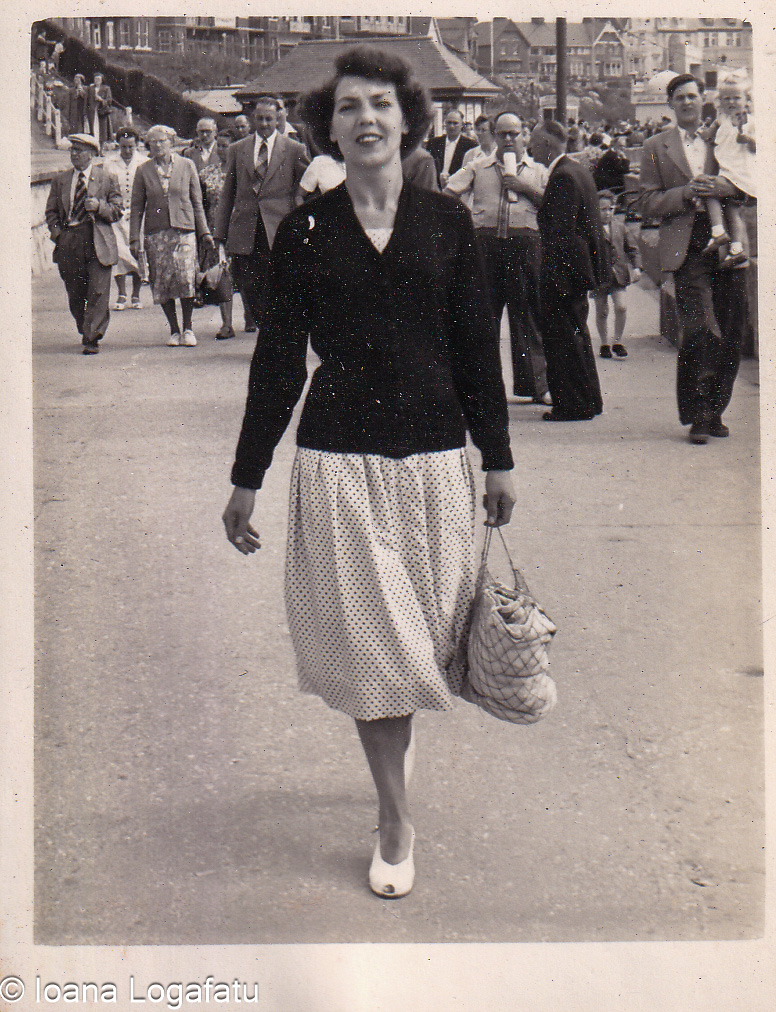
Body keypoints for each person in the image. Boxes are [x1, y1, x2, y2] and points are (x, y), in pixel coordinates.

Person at [221, 46, 515, 900]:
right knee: (373, 646)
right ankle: (394, 817)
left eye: (380, 105)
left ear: (407, 118)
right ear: (330, 126)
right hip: (339, 461)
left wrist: (497, 458)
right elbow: (278, 360)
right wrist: (247, 474)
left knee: (414, 642)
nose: (366, 121)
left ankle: (392, 742)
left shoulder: (447, 224)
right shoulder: (306, 230)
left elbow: (475, 354)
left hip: (432, 462)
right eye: (349, 108)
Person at [637, 73, 749, 444]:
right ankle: (698, 412)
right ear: (670, 104)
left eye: (693, 96)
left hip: (727, 240)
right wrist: (685, 193)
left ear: (704, 100)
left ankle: (715, 410)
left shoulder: (723, 136)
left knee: (732, 328)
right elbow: (646, 202)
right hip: (687, 246)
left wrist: (727, 187)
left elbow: (751, 183)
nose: (687, 103)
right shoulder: (655, 145)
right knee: (700, 326)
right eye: (679, 97)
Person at [444, 110, 551, 406]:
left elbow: (552, 204)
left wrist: (523, 187)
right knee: (482, 319)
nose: (508, 139)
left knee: (527, 318)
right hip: (485, 248)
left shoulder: (538, 170)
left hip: (525, 247)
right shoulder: (478, 167)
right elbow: (448, 194)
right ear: (493, 134)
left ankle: (537, 386)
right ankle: (482, 388)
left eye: (514, 133)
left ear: (524, 135)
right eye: (502, 133)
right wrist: (465, 226)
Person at [531, 120, 609, 421]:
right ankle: (588, 399)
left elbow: (560, 232)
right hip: (579, 270)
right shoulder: (578, 171)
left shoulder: (562, 176)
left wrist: (554, 277)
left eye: (535, 142)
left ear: (548, 144)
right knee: (577, 334)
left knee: (562, 337)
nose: (531, 148)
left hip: (564, 272)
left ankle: (571, 404)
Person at [213, 95, 309, 339]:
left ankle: (273, 334)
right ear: (253, 119)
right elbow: (228, 194)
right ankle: (268, 328)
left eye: (269, 118)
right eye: (260, 118)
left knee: (277, 284)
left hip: (279, 229)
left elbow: (306, 188)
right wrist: (220, 234)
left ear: (278, 119)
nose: (264, 124)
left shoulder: (294, 149)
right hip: (245, 230)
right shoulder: (238, 149)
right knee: (248, 285)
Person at [130, 124, 214, 347]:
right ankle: (174, 330)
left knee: (186, 277)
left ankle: (188, 327)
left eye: (162, 141)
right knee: (163, 281)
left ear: (171, 142)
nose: (157, 145)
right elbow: (137, 207)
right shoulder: (143, 170)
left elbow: (197, 203)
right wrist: (134, 239)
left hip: (184, 231)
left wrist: (204, 231)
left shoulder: (187, 166)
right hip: (156, 233)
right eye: (153, 141)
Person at [44, 133, 123, 354]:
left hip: (98, 239)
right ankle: (84, 325)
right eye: (72, 150)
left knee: (98, 291)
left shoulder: (107, 177)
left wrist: (99, 206)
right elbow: (51, 212)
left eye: (79, 150)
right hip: (70, 239)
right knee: (76, 292)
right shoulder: (61, 180)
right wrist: (58, 233)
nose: (74, 154)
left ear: (92, 154)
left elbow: (117, 210)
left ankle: (92, 337)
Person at [699, 76, 755, 268]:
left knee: (708, 190)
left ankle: (718, 232)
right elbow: (711, 132)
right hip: (727, 171)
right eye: (726, 98)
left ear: (746, 100)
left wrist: (748, 140)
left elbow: (762, 147)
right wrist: (706, 133)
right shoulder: (721, 118)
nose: (731, 102)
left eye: (736, 98)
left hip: (738, 173)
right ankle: (736, 249)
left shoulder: (750, 121)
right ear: (720, 102)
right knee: (732, 210)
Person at [591, 190, 642, 359]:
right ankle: (604, 343)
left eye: (610, 208)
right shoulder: (591, 228)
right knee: (602, 311)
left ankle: (617, 341)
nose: (607, 213)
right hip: (599, 275)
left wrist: (637, 267)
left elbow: (632, 248)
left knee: (621, 306)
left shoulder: (620, 226)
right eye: (602, 209)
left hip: (618, 275)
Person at [198, 129, 237, 339]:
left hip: (239, 227)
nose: (223, 150)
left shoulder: (243, 171)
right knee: (222, 275)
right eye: (220, 145)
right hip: (217, 228)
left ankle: (251, 319)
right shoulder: (207, 173)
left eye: (227, 145)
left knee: (243, 274)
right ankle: (227, 324)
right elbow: (201, 204)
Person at [107, 126, 147, 311]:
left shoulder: (144, 161)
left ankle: (136, 294)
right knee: (119, 251)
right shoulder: (109, 163)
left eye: (131, 146)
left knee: (137, 250)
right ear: (118, 146)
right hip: (117, 214)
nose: (127, 150)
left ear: (136, 145)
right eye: (124, 147)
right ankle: (122, 293)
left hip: (139, 214)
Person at [426, 107, 477, 187]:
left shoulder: (471, 145)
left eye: (455, 123)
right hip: (436, 187)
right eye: (449, 123)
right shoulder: (433, 143)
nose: (451, 126)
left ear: (462, 125)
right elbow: (428, 168)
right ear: (445, 124)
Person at [87, 73, 113, 147]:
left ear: (102, 80)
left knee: (102, 130)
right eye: (95, 79)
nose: (97, 80)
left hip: (102, 112)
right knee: (93, 130)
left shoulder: (106, 88)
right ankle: (94, 148)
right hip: (92, 112)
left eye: (98, 79)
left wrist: (101, 100)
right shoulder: (90, 89)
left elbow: (109, 100)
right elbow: (87, 101)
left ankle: (101, 149)